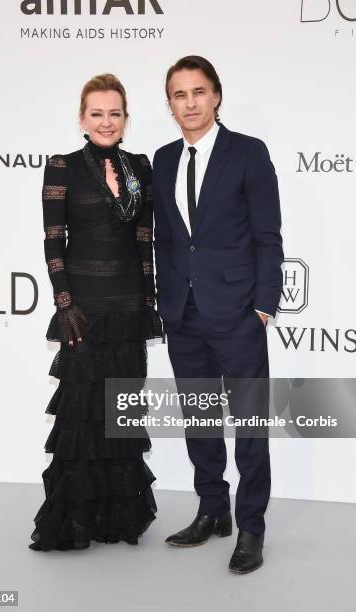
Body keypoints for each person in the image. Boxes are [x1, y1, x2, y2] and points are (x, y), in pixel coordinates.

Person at [152, 56, 283, 573]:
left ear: (216, 97)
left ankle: (251, 525)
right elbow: (166, 237)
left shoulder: (249, 154)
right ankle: (212, 510)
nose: (190, 103)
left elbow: (268, 236)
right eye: (179, 95)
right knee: (199, 419)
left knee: (250, 424)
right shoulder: (162, 159)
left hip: (238, 313)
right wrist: (163, 301)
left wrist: (264, 306)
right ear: (170, 104)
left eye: (199, 92)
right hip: (183, 314)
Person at [29, 73, 163, 551]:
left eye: (115, 113)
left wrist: (148, 300)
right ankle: (77, 517)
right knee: (83, 413)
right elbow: (53, 242)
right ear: (82, 119)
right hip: (84, 308)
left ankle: (117, 516)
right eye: (97, 113)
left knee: (121, 412)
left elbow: (145, 238)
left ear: (126, 119)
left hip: (127, 308)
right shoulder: (62, 167)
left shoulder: (140, 167)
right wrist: (65, 304)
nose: (106, 121)